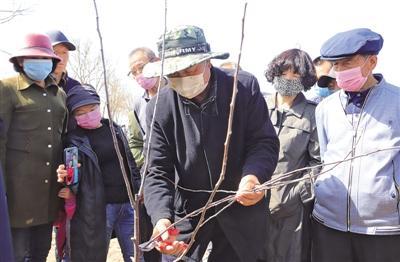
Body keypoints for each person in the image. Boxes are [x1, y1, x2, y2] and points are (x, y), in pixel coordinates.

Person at [142, 25, 280, 261]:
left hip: (241, 215)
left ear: (208, 61)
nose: (184, 78)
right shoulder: (159, 107)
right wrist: (161, 218)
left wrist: (254, 176)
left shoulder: (243, 88)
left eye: (190, 69)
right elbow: (157, 171)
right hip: (188, 220)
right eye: (175, 73)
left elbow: (263, 142)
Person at [312, 28, 400, 262]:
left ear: (372, 61)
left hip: (383, 228)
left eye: (347, 63)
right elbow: (325, 155)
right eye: (336, 65)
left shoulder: (397, 103)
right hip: (329, 224)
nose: (339, 70)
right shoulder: (325, 109)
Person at [0, 33, 67, 262]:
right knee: (15, 255)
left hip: (48, 195)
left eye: (44, 58)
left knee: (41, 252)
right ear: (20, 61)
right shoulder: (6, 89)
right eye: (32, 58)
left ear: (52, 62)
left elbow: (62, 140)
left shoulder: (59, 95)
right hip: (16, 195)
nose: (39, 62)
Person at [56, 85, 142, 262]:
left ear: (99, 105)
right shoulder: (73, 140)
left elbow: (130, 162)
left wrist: (138, 188)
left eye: (92, 108)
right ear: (73, 115)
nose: (88, 114)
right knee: (91, 255)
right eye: (80, 112)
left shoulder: (114, 128)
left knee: (137, 255)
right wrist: (68, 185)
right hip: (97, 209)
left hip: (128, 204)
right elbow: (69, 175)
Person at [258, 49, 320, 262]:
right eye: (284, 74)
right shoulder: (258, 106)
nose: (289, 80)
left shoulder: (313, 114)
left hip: (292, 210)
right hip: (254, 204)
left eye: (296, 75)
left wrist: (298, 193)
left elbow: (318, 162)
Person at [127, 47, 166, 168]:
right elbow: (136, 143)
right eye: (134, 72)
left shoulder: (179, 91)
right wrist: (147, 164)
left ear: (157, 62)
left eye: (142, 67)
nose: (139, 74)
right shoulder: (137, 106)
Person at [46, 30, 81, 94]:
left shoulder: (75, 87)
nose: (61, 59)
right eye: (55, 52)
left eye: (64, 53)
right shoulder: (36, 84)